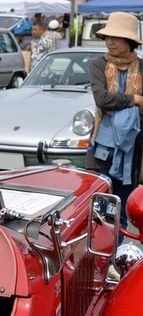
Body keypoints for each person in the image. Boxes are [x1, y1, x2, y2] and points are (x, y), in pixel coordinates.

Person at [87, 12, 143, 242]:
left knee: (124, 207)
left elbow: (111, 101)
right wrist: (135, 100)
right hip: (103, 148)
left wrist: (120, 103)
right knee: (102, 211)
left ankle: (118, 259)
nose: (109, 41)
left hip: (133, 149)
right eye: (107, 37)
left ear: (129, 41)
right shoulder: (98, 65)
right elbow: (101, 99)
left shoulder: (141, 66)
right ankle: (101, 258)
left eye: (116, 37)